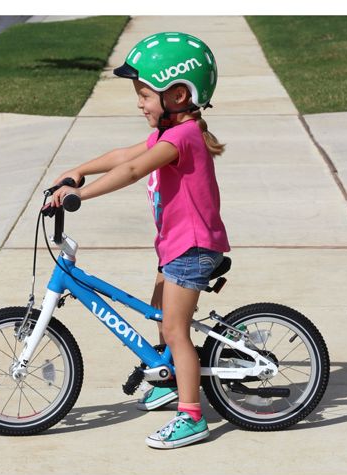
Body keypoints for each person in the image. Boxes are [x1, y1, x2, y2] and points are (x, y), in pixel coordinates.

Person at [48, 32, 229, 449]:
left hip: (192, 249)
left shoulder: (181, 138)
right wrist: (78, 171)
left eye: (145, 95)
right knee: (160, 316)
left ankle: (191, 415)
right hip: (177, 247)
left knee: (175, 329)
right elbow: (122, 156)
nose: (140, 103)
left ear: (178, 95)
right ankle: (168, 380)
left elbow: (132, 172)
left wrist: (80, 196)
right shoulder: (172, 133)